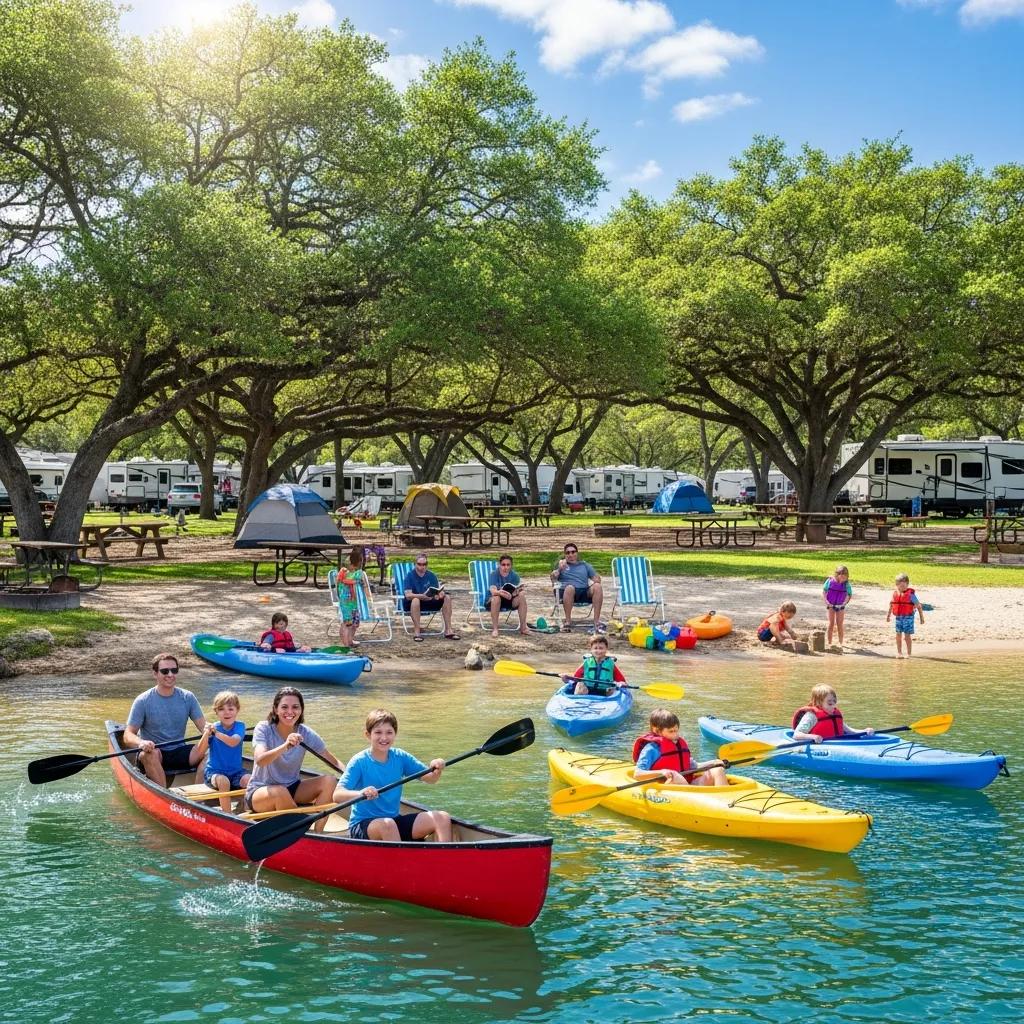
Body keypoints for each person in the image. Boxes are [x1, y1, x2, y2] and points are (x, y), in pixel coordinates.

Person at [333, 708, 452, 842]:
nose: (384, 737)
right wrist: (360, 794)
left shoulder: (400, 757)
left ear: (395, 734)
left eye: (389, 732)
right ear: (368, 735)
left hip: (394, 821)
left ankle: (444, 861)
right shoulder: (359, 761)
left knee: (442, 818)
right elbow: (337, 795)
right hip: (363, 824)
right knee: (388, 825)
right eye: (378, 732)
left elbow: (431, 779)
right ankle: (402, 861)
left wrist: (437, 767)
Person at [245, 687, 342, 827]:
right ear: (275, 709)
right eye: (284, 707)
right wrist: (285, 745)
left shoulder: (306, 733)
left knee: (330, 781)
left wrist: (353, 778)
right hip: (260, 792)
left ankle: (317, 833)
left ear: (301, 710)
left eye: (295, 707)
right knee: (280, 792)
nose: (290, 712)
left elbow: (333, 761)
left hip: (292, 788)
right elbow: (260, 760)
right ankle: (300, 829)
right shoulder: (264, 728)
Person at [123, 653, 207, 788]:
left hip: (180, 752)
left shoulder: (188, 697)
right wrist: (141, 742)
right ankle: (164, 795)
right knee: (148, 754)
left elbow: (204, 728)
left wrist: (213, 730)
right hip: (155, 753)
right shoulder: (143, 700)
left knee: (212, 751)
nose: (170, 674)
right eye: (164, 671)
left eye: (174, 670)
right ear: (155, 674)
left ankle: (199, 797)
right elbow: (127, 736)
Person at [632, 708, 728, 786]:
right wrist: (662, 772)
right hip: (667, 788)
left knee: (717, 770)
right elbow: (638, 774)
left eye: (676, 730)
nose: (675, 735)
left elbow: (695, 767)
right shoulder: (651, 749)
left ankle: (726, 801)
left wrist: (714, 762)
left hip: (688, 787)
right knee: (674, 775)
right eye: (671, 731)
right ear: (657, 731)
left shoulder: (679, 744)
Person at [192, 690, 251, 813]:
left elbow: (233, 742)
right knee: (224, 781)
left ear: (237, 710)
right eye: (221, 709)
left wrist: (216, 733)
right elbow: (200, 751)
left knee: (250, 780)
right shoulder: (214, 727)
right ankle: (227, 815)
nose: (227, 713)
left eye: (230, 709)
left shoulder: (240, 726)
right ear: (216, 712)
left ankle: (246, 811)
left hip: (236, 772)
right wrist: (206, 733)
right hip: (214, 773)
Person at [550, 543, 604, 632]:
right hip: (567, 592)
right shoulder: (561, 565)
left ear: (577, 553)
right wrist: (559, 569)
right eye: (567, 553)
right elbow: (553, 578)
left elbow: (597, 579)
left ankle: (596, 621)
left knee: (597, 586)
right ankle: (568, 621)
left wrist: (596, 579)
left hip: (584, 591)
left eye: (573, 552)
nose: (570, 554)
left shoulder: (585, 565)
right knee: (570, 588)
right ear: (565, 555)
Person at [403, 553, 459, 641]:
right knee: (415, 599)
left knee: (447, 598)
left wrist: (440, 594)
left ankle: (448, 630)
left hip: (429, 601)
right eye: (419, 564)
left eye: (424, 564)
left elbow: (436, 590)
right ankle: (417, 632)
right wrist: (421, 596)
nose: (422, 566)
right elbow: (408, 595)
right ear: (415, 564)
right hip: (413, 604)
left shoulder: (431, 575)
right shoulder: (409, 576)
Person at [792, 684, 875, 742]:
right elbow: (797, 734)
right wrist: (813, 737)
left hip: (838, 744)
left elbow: (850, 731)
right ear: (818, 702)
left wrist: (865, 731)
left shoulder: (835, 714)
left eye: (834, 702)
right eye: (830, 703)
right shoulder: (811, 716)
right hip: (820, 747)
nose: (833, 706)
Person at [561, 634, 628, 696]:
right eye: (595, 648)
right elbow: (575, 678)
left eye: (601, 648)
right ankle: (578, 702)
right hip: (587, 691)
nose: (598, 651)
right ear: (591, 650)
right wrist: (566, 678)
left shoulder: (610, 664)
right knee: (580, 684)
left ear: (606, 649)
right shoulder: (587, 663)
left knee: (613, 688)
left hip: (605, 692)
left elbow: (621, 680)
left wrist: (621, 683)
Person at [336, 545, 371, 649]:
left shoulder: (346, 573)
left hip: (353, 603)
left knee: (353, 624)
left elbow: (337, 585)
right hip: (348, 603)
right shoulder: (355, 574)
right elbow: (364, 586)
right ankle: (346, 646)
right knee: (348, 624)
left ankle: (349, 641)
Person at [488, 553, 529, 637]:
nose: (505, 567)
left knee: (522, 596)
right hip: (494, 601)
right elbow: (493, 591)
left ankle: (523, 627)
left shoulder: (515, 576)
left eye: (508, 565)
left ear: (511, 566)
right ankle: (495, 629)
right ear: (499, 565)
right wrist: (501, 593)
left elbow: (516, 590)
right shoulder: (494, 574)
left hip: (509, 600)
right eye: (503, 565)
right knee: (496, 598)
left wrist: (518, 591)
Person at [887, 572, 925, 658]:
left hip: (908, 618)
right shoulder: (895, 594)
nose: (902, 587)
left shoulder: (911, 595)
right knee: (898, 635)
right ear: (896, 585)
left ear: (907, 584)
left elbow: (919, 606)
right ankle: (899, 652)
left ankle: (909, 653)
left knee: (907, 636)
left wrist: (922, 618)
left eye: (905, 585)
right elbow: (891, 605)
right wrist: (888, 616)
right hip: (898, 618)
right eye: (900, 585)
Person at [822, 565, 852, 647]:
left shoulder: (847, 584)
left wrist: (844, 603)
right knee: (831, 623)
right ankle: (829, 642)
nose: (843, 579)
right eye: (841, 576)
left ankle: (841, 642)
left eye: (844, 577)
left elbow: (849, 595)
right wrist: (827, 602)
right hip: (831, 605)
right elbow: (824, 592)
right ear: (837, 575)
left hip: (840, 606)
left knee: (840, 624)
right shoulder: (829, 581)